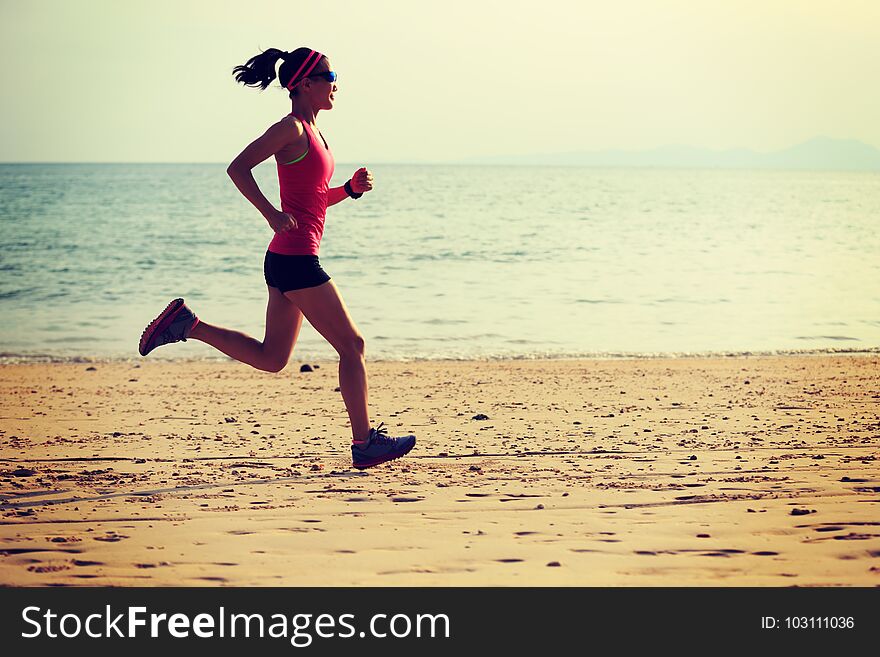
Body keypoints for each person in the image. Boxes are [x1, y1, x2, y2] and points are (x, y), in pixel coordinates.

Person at [138, 47, 415, 470]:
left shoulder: (315, 132)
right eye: (329, 75)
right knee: (352, 345)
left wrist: (350, 191)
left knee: (272, 358)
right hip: (296, 260)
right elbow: (238, 167)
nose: (335, 83)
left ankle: (187, 324)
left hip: (287, 258)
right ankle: (364, 444)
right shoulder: (290, 129)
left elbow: (315, 201)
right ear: (305, 83)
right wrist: (270, 213)